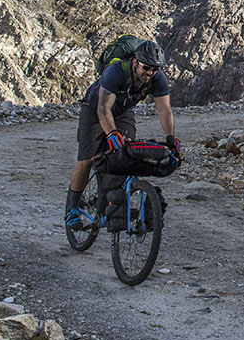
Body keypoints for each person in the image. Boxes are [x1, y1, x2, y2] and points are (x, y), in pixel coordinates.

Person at [65, 39, 175, 228]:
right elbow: (103, 108)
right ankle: (72, 209)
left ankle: (108, 200)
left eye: (155, 69)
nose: (150, 73)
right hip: (94, 109)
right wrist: (111, 133)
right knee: (87, 159)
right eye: (146, 68)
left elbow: (164, 110)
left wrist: (171, 138)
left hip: (123, 111)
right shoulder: (116, 71)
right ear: (135, 62)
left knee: (126, 154)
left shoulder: (157, 78)